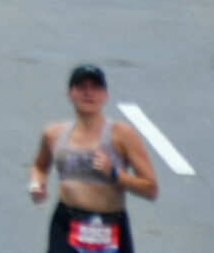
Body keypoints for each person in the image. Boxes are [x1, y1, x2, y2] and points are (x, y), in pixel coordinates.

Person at [26, 64, 158, 252]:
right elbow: (39, 166)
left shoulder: (122, 135)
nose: (88, 93)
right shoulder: (54, 134)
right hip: (67, 224)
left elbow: (150, 189)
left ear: (105, 96)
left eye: (95, 87)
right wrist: (36, 185)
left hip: (110, 227)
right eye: (81, 87)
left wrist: (114, 174)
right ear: (70, 94)